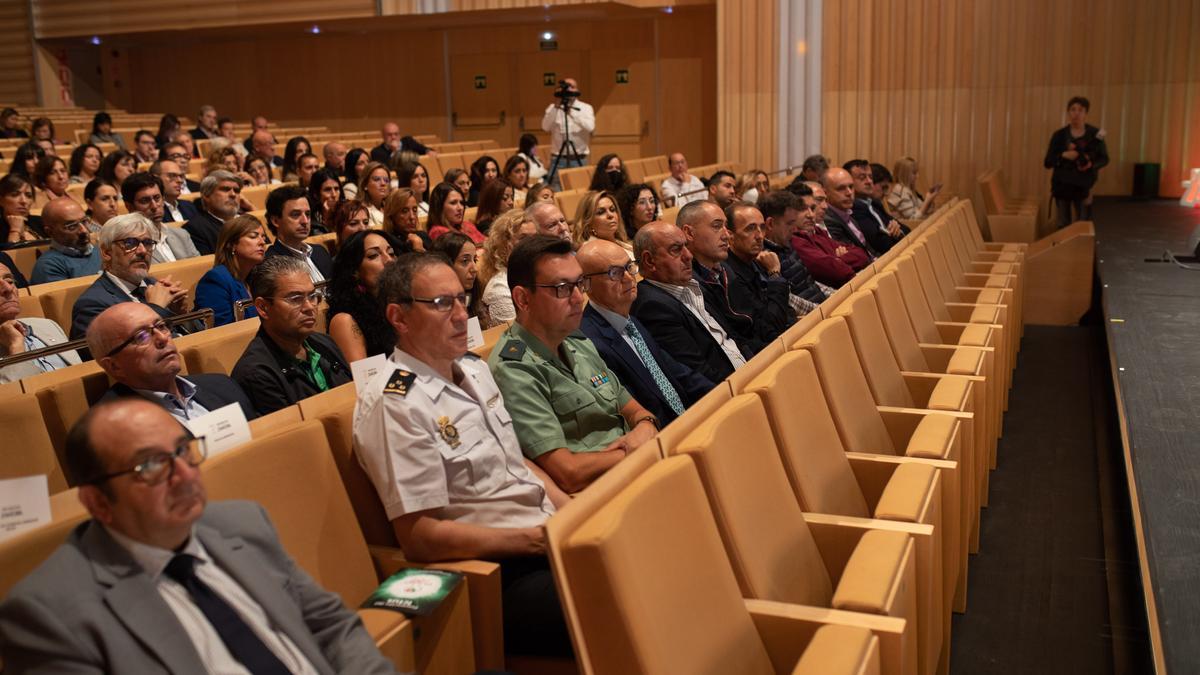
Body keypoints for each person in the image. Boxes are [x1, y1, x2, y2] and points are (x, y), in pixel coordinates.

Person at [0, 391, 412, 672]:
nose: (184, 475)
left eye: (182, 450)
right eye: (150, 466)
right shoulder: (47, 615)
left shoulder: (242, 524)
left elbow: (331, 625)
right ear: (97, 502)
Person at [352, 252, 570, 659]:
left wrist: (573, 511)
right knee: (629, 590)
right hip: (496, 572)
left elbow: (514, 462)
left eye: (461, 299)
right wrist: (536, 541)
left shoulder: (473, 368)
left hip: (546, 538)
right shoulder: (395, 403)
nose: (458, 314)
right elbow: (421, 537)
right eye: (440, 304)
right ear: (399, 318)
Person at [488, 235, 657, 492]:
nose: (579, 297)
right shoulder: (513, 369)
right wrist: (635, 449)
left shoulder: (578, 341)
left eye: (579, 284)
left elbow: (635, 410)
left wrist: (646, 427)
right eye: (563, 288)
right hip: (598, 494)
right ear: (523, 299)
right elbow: (568, 472)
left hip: (638, 470)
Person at [577, 238, 713, 426]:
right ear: (586, 284)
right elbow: (633, 409)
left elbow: (677, 372)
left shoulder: (632, 321)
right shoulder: (590, 342)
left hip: (689, 419)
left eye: (629, 267)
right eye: (614, 273)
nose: (628, 278)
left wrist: (723, 393)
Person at [232, 256, 352, 415]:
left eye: (312, 296)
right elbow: (297, 434)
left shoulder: (325, 343)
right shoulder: (256, 374)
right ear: (263, 308)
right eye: (295, 299)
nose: (309, 307)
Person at [630, 222, 747, 383]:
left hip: (748, 372)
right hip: (731, 388)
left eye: (686, 246)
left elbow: (733, 337)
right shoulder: (652, 306)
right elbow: (698, 371)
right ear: (649, 261)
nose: (689, 256)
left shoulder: (691, 285)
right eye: (676, 250)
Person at [70, 215, 197, 339]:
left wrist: (181, 315)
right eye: (130, 243)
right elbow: (122, 354)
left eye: (147, 243)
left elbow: (199, 338)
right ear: (107, 253)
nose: (142, 251)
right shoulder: (92, 305)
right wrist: (154, 308)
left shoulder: (153, 284)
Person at [678, 200, 764, 357]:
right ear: (689, 233)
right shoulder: (689, 285)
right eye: (717, 226)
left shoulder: (725, 269)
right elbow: (732, 338)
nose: (726, 235)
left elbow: (756, 319)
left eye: (726, 226)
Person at [722, 201, 794, 344]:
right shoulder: (729, 276)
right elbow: (770, 327)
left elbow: (787, 310)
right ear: (730, 236)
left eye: (762, 227)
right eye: (750, 229)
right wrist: (774, 274)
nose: (760, 236)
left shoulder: (756, 260)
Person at [0, 261, 81, 382]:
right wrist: (16, 348)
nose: (8, 288)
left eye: (10, 281)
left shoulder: (47, 325)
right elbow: (14, 398)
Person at [328, 230, 400, 362]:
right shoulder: (345, 320)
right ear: (354, 270)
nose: (389, 260)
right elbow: (364, 380)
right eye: (373, 255)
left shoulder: (400, 304)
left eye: (391, 253)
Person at [757, 189, 827, 314]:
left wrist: (835, 296)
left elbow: (810, 282)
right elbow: (788, 299)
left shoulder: (787, 243)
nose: (795, 229)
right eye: (789, 223)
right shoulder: (764, 257)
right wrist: (821, 310)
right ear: (770, 224)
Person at [1044, 95, 1109, 227]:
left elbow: (1104, 158)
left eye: (1080, 110)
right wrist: (1063, 155)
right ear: (1068, 112)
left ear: (1086, 113)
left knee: (1083, 225)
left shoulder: (1096, 134)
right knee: (1063, 224)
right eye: (1073, 109)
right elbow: (1047, 162)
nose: (1076, 113)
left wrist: (1091, 165)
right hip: (1062, 185)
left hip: (1083, 185)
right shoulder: (1059, 135)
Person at [789, 182, 870, 287]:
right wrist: (836, 258)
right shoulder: (796, 240)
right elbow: (839, 273)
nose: (811, 215)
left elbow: (862, 255)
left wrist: (837, 260)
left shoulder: (817, 231)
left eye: (812, 208)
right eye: (802, 209)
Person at [194, 215, 267, 326]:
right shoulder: (215, 281)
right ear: (231, 244)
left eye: (264, 237)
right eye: (253, 236)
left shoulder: (258, 278)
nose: (262, 242)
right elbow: (223, 331)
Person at [121, 172, 201, 263]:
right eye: (145, 201)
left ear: (163, 199)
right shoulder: (128, 245)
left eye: (157, 198)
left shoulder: (182, 235)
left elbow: (200, 270)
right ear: (129, 206)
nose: (154, 206)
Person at [479, 209, 538, 328]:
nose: (533, 244)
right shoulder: (499, 288)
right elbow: (522, 337)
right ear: (504, 244)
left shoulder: (536, 273)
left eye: (535, 238)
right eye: (523, 238)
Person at [264, 185, 332, 282]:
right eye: (295, 215)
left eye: (307, 214)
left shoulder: (320, 252)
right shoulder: (270, 263)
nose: (305, 221)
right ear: (275, 221)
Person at [30, 197, 102, 284]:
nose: (84, 230)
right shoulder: (49, 266)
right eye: (72, 226)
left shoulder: (101, 250)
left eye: (84, 221)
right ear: (49, 232)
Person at [540, 78, 595, 188]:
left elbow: (590, 127)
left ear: (577, 89)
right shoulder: (553, 108)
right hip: (558, 159)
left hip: (579, 158)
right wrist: (556, 107)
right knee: (555, 189)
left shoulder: (585, 108)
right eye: (566, 86)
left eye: (572, 86)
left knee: (580, 188)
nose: (569, 89)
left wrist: (571, 112)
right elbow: (545, 127)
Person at [843, 159, 903, 253]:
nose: (869, 181)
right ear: (849, 181)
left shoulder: (874, 203)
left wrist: (897, 229)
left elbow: (906, 230)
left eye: (870, 177)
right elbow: (882, 244)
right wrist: (896, 235)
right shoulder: (854, 208)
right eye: (862, 178)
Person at [821, 167, 878, 259]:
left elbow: (868, 249)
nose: (849, 192)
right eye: (841, 188)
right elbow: (853, 255)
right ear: (825, 193)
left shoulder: (847, 211)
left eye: (851, 187)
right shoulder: (828, 220)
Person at [185, 170, 243, 256]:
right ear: (206, 196)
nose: (233, 194)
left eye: (237, 191)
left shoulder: (249, 221)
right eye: (225, 189)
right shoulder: (195, 229)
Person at [429, 232, 484, 319]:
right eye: (465, 261)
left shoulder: (474, 295)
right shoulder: (433, 310)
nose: (475, 269)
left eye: (474, 260)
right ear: (445, 264)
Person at [571, 189, 634, 259]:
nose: (610, 215)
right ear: (588, 223)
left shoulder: (622, 243)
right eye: (601, 212)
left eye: (612, 209)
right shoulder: (591, 253)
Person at [150, 159, 201, 223]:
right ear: (156, 179)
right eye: (172, 175)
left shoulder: (189, 206)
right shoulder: (153, 210)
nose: (180, 181)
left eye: (181, 176)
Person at [1, 173, 41, 243]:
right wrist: (15, 230)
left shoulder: (41, 222)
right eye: (15, 195)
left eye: (28, 196)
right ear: (1, 200)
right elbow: (9, 254)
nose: (24, 201)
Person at [306, 167, 343, 235]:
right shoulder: (309, 220)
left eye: (336, 189)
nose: (334, 195)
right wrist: (327, 218)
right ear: (316, 194)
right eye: (327, 190)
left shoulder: (348, 213)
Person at [358, 162, 391, 229]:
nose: (383, 183)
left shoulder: (391, 208)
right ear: (365, 185)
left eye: (386, 180)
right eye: (377, 179)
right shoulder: (361, 211)